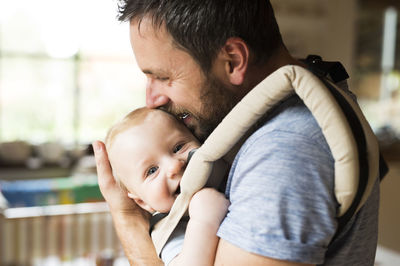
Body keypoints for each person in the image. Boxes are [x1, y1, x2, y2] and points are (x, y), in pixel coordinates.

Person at [93, 1, 380, 265]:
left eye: (163, 77)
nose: (152, 99)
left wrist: (128, 220)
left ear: (232, 60)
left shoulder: (283, 150)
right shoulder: (317, 88)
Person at [105, 107, 229, 265]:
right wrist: (204, 219)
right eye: (152, 171)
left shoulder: (230, 166)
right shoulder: (170, 230)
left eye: (178, 148)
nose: (174, 166)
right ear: (142, 202)